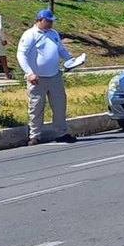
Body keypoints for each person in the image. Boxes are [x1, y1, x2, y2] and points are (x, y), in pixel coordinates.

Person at [16, 9, 78, 145]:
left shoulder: (53, 34)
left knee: (59, 105)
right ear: (40, 20)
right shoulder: (30, 34)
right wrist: (29, 73)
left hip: (54, 76)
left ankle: (61, 133)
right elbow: (21, 54)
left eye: (51, 21)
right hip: (37, 78)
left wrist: (70, 59)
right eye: (48, 21)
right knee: (36, 107)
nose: (50, 24)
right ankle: (35, 135)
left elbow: (60, 49)